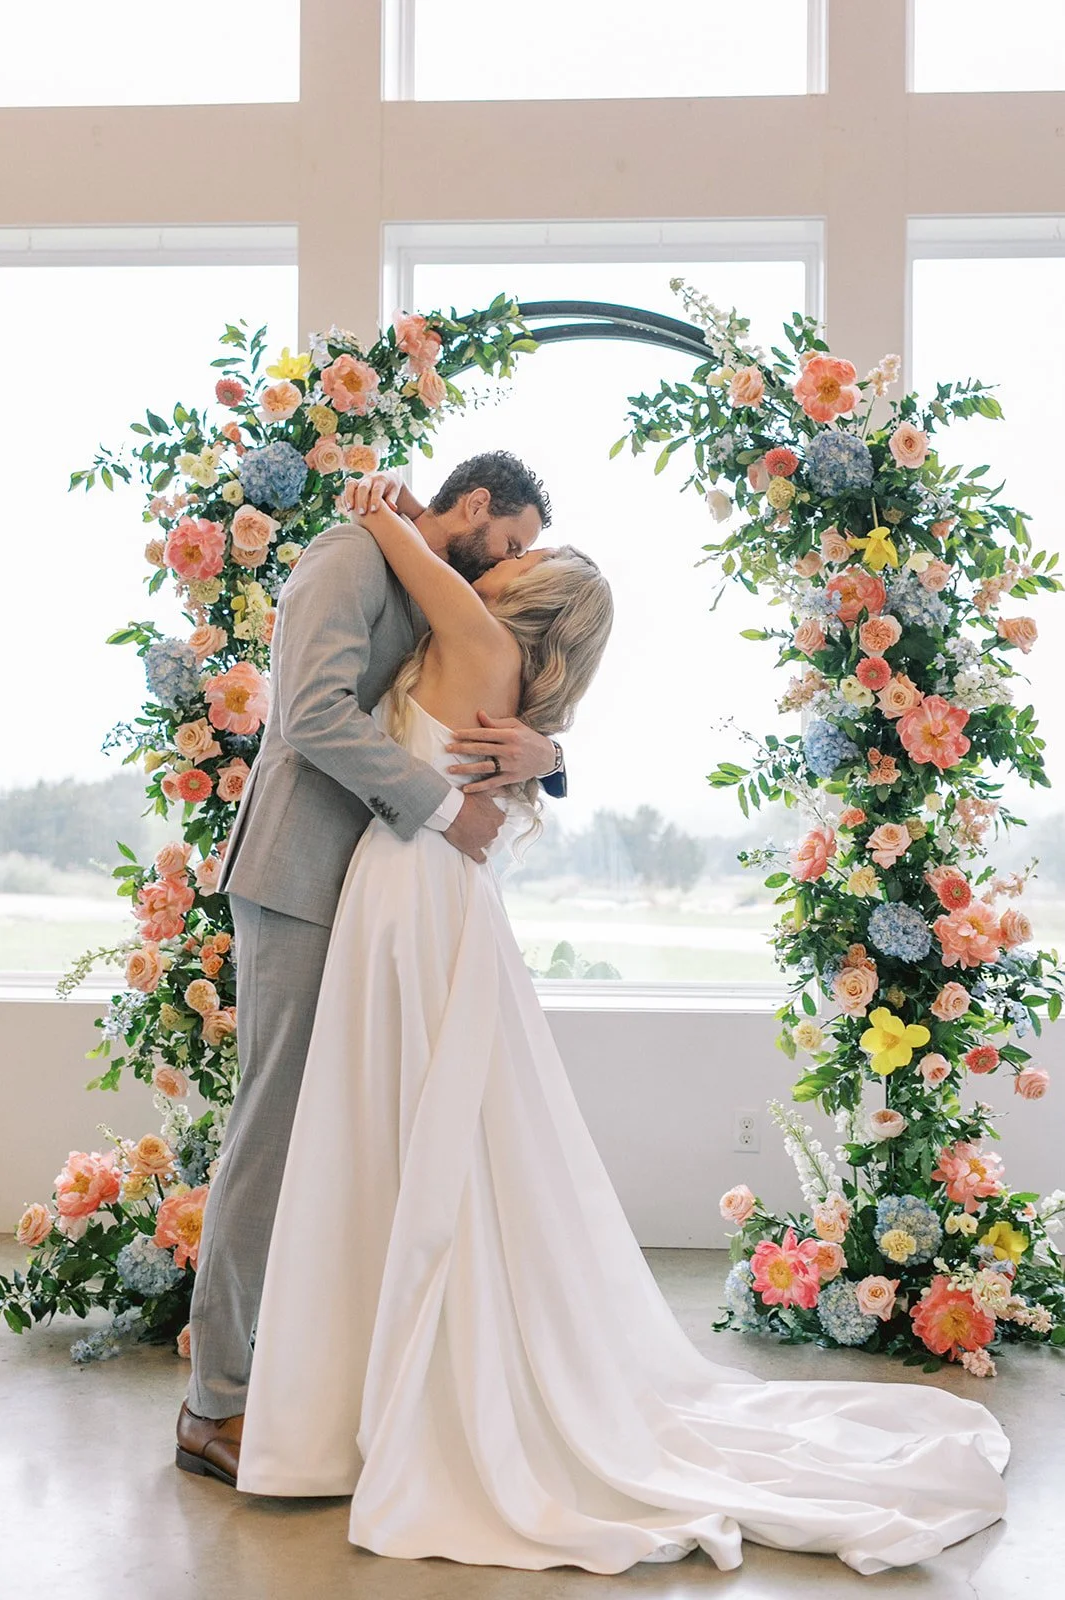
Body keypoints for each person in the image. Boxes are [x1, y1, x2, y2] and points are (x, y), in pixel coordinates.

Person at [232, 487, 1010, 1576]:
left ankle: (362, 1386)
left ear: (521, 589)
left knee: (392, 1120)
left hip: (407, 892)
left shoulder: (458, 619)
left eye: (516, 556)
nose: (503, 561)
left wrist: (386, 503)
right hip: (406, 889)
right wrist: (541, 744)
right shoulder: (486, 654)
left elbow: (402, 557)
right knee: (410, 1125)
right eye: (509, 543)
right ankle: (378, 1370)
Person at [176, 452, 567, 1483]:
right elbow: (308, 715)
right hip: (302, 876)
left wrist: (547, 757)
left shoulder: (422, 576)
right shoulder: (348, 555)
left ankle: (328, 1373)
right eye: (513, 543)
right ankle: (211, 1400)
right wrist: (447, 807)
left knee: (351, 1130)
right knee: (270, 1128)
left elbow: (471, 688)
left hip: (377, 896)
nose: (511, 569)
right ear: (475, 506)